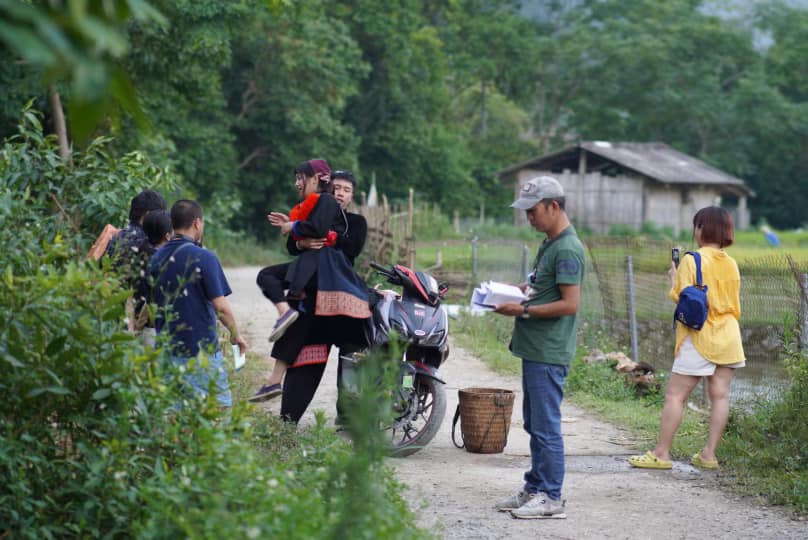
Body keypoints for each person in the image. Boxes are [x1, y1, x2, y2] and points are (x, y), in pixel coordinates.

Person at [492, 176, 585, 519]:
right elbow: (539, 287)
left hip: (549, 351)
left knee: (546, 426)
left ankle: (551, 496)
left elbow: (569, 303)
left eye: (533, 211)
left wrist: (522, 310)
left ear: (554, 207)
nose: (529, 218)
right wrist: (511, 293)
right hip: (535, 350)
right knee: (534, 423)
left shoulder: (568, 249)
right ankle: (535, 486)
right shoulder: (550, 243)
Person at [629, 206, 745, 471]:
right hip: (729, 335)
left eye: (697, 225)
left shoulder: (692, 261)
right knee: (720, 396)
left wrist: (673, 278)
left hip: (700, 336)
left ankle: (661, 452)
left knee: (675, 396)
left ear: (701, 228)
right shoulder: (731, 263)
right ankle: (708, 455)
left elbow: (682, 298)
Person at [250, 162, 370, 407]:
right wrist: (302, 241)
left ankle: (347, 414)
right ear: (327, 186)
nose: (340, 193)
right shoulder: (316, 207)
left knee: (351, 352)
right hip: (314, 281)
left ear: (351, 196)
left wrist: (308, 232)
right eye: (336, 188)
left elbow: (351, 248)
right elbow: (294, 246)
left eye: (346, 190)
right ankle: (285, 411)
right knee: (301, 341)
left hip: (336, 282)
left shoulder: (356, 222)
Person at [150, 199, 249, 407]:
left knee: (175, 418)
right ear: (197, 223)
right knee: (218, 412)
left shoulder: (156, 258)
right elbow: (220, 306)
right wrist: (236, 335)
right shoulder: (204, 257)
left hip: (167, 352)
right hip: (199, 351)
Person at [103, 189, 167, 331]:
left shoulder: (116, 237)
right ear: (148, 216)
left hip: (108, 313)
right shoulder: (146, 243)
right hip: (135, 323)